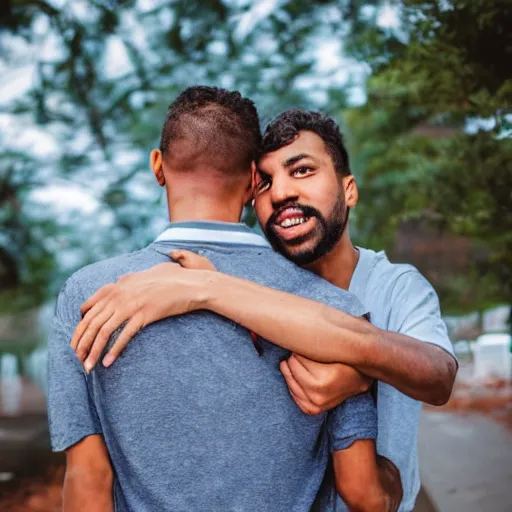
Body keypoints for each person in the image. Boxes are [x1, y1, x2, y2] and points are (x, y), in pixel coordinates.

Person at [73, 108, 458, 511]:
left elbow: (437, 377)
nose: (282, 192)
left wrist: (358, 376)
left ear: (349, 190)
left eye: (303, 171)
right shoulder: (239, 282)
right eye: (266, 182)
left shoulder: (395, 286)